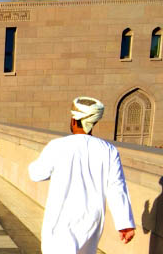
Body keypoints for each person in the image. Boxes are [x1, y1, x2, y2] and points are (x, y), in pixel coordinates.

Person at [28, 97, 135, 254]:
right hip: (92, 220)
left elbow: (36, 174)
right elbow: (116, 187)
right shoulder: (109, 150)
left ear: (73, 120)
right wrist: (125, 223)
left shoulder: (58, 146)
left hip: (61, 218)